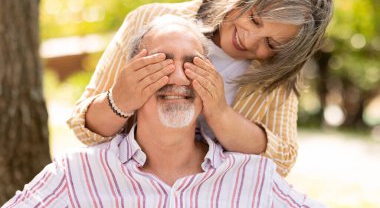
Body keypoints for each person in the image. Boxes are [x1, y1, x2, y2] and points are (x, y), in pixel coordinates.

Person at [4, 16, 326, 207]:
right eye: (161, 61)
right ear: (131, 75)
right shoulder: (75, 175)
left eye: (193, 64)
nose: (178, 75)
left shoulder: (253, 180)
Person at [67, 0, 334, 177]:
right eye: (254, 19)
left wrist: (219, 114)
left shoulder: (277, 74)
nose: (249, 40)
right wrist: (120, 100)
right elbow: (85, 129)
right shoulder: (149, 21)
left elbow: (281, 161)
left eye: (271, 43)